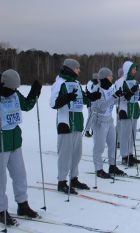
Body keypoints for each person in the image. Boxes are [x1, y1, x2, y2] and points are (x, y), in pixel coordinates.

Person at [50, 58, 100, 194]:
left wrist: (92, 96)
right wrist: (66, 98)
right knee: (65, 154)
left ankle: (74, 178)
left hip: (77, 123)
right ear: (70, 68)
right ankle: (62, 181)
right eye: (77, 68)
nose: (79, 70)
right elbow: (53, 103)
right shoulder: (60, 83)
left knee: (76, 154)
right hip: (65, 123)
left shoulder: (76, 83)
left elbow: (83, 98)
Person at [0, 69, 41, 225]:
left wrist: (34, 92)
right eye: (12, 89)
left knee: (20, 174)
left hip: (15, 141)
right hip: (1, 143)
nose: (14, 91)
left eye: (16, 89)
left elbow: (26, 105)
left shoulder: (15, 94)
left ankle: (22, 204)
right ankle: (1, 209)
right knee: (1, 179)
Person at [90, 67, 126, 178]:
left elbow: (112, 102)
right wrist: (114, 97)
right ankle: (99, 169)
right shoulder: (97, 89)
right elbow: (101, 107)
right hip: (99, 120)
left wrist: (119, 96)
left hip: (109, 120)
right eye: (110, 76)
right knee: (99, 146)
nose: (112, 77)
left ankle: (112, 166)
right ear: (105, 77)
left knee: (112, 144)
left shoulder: (110, 88)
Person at [115, 61, 140, 167]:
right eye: (133, 69)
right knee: (125, 135)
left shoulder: (134, 81)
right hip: (125, 110)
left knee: (132, 134)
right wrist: (130, 92)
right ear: (128, 69)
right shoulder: (120, 81)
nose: (135, 71)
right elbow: (120, 97)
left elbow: (137, 96)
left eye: (136, 69)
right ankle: (124, 156)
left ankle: (130, 154)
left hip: (134, 110)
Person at [84, 73, 99, 137]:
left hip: (94, 102)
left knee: (94, 116)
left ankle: (93, 130)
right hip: (90, 102)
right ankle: (87, 131)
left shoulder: (90, 83)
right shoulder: (92, 83)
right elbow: (90, 92)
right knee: (90, 116)